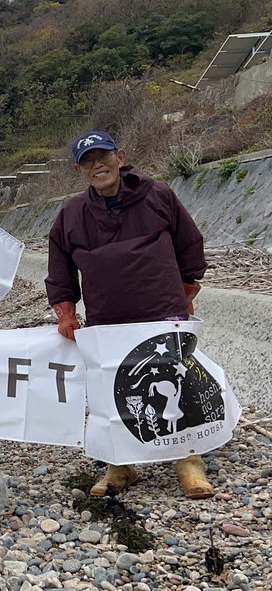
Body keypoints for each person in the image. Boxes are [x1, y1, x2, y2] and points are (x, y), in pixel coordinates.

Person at [46, 130, 212, 499]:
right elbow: (59, 263)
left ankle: (189, 460)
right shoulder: (72, 212)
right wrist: (66, 310)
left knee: (176, 381)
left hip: (162, 310)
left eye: (103, 156)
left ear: (119, 157)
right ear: (79, 170)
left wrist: (187, 291)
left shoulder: (158, 194)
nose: (97, 165)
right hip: (107, 318)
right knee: (112, 389)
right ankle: (119, 465)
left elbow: (189, 243)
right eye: (87, 161)